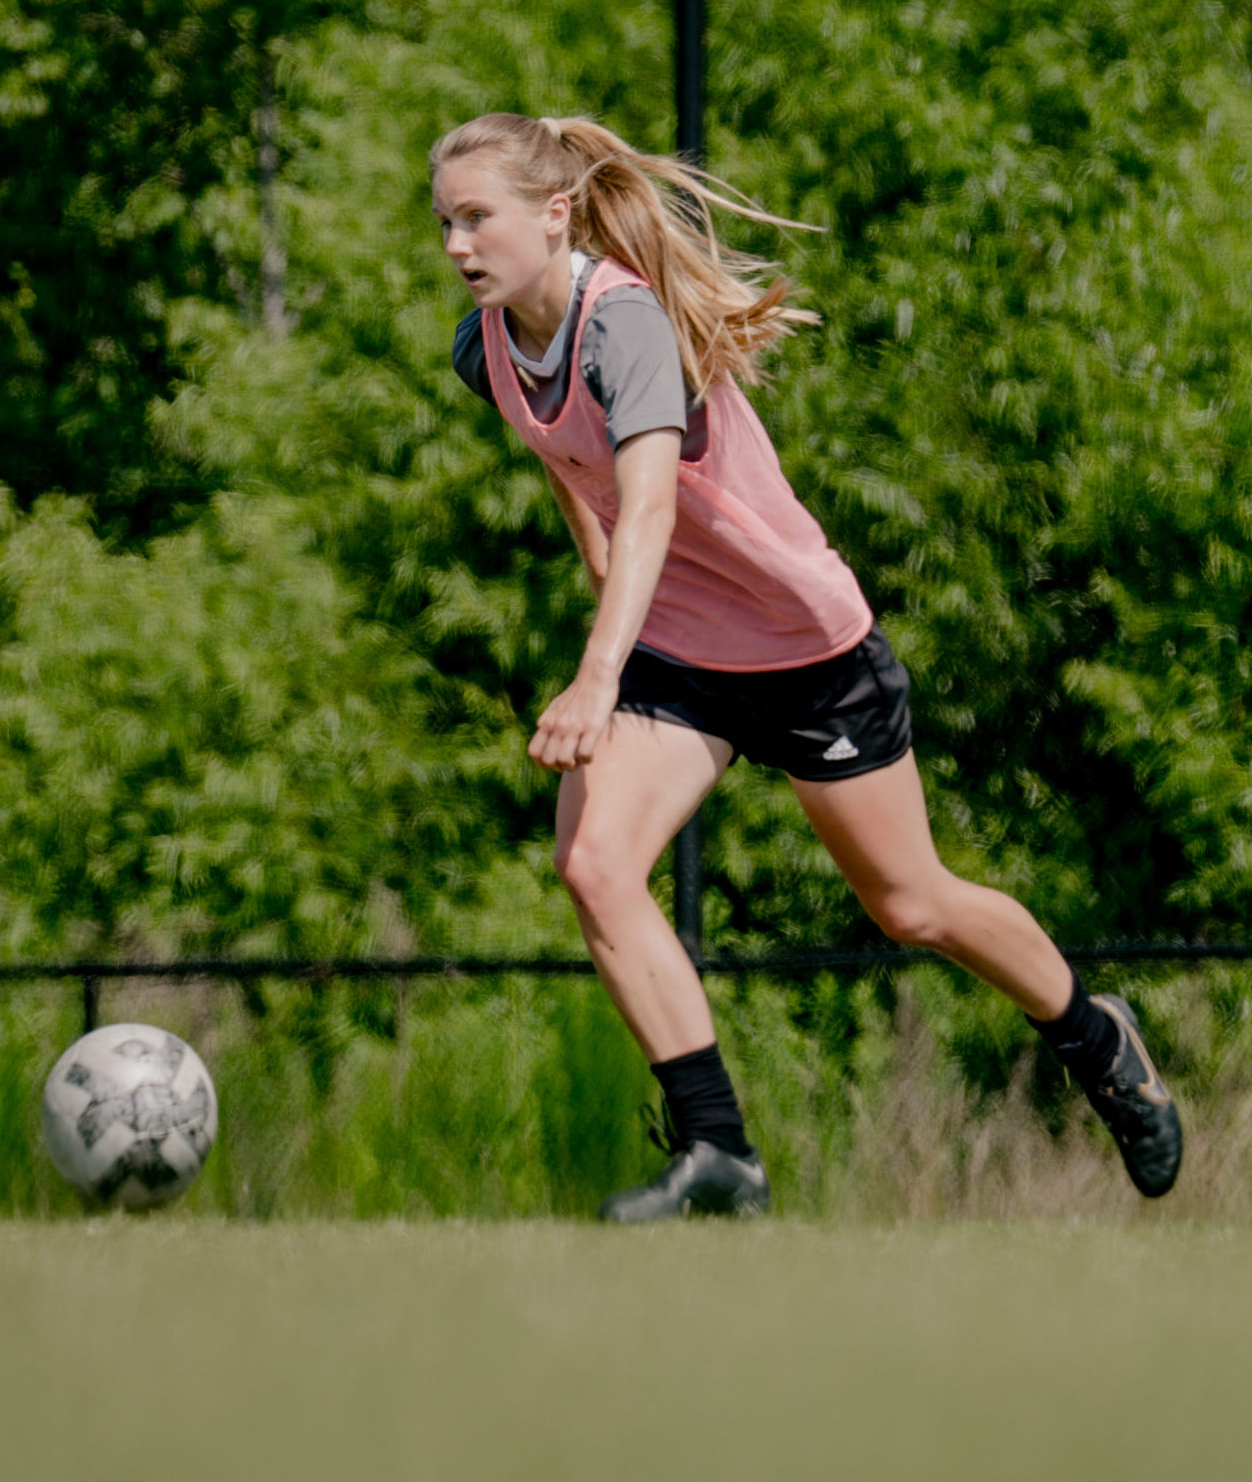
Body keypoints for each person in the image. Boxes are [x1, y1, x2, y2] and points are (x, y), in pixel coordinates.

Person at [431, 111, 1182, 1220]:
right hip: (680, 656)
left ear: (554, 215)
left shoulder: (623, 327)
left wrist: (595, 675)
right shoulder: (484, 343)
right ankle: (717, 1150)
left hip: (804, 650)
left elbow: (645, 505)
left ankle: (1091, 1030)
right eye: (444, 222)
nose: (456, 245)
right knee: (594, 863)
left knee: (911, 906)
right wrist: (595, 572)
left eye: (477, 219)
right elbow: (570, 462)